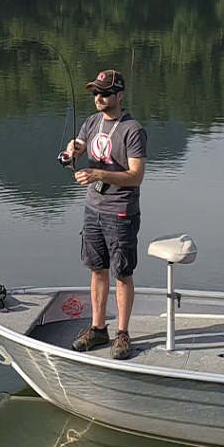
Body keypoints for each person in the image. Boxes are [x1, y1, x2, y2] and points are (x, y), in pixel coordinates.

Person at [65, 69, 147, 359]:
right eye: (95, 93)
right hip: (93, 210)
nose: (99, 97)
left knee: (122, 273)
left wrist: (99, 173)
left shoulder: (133, 130)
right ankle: (98, 329)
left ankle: (122, 334)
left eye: (105, 93)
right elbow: (81, 145)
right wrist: (72, 152)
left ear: (119, 95)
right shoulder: (91, 122)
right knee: (97, 269)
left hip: (121, 213)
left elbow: (136, 176)